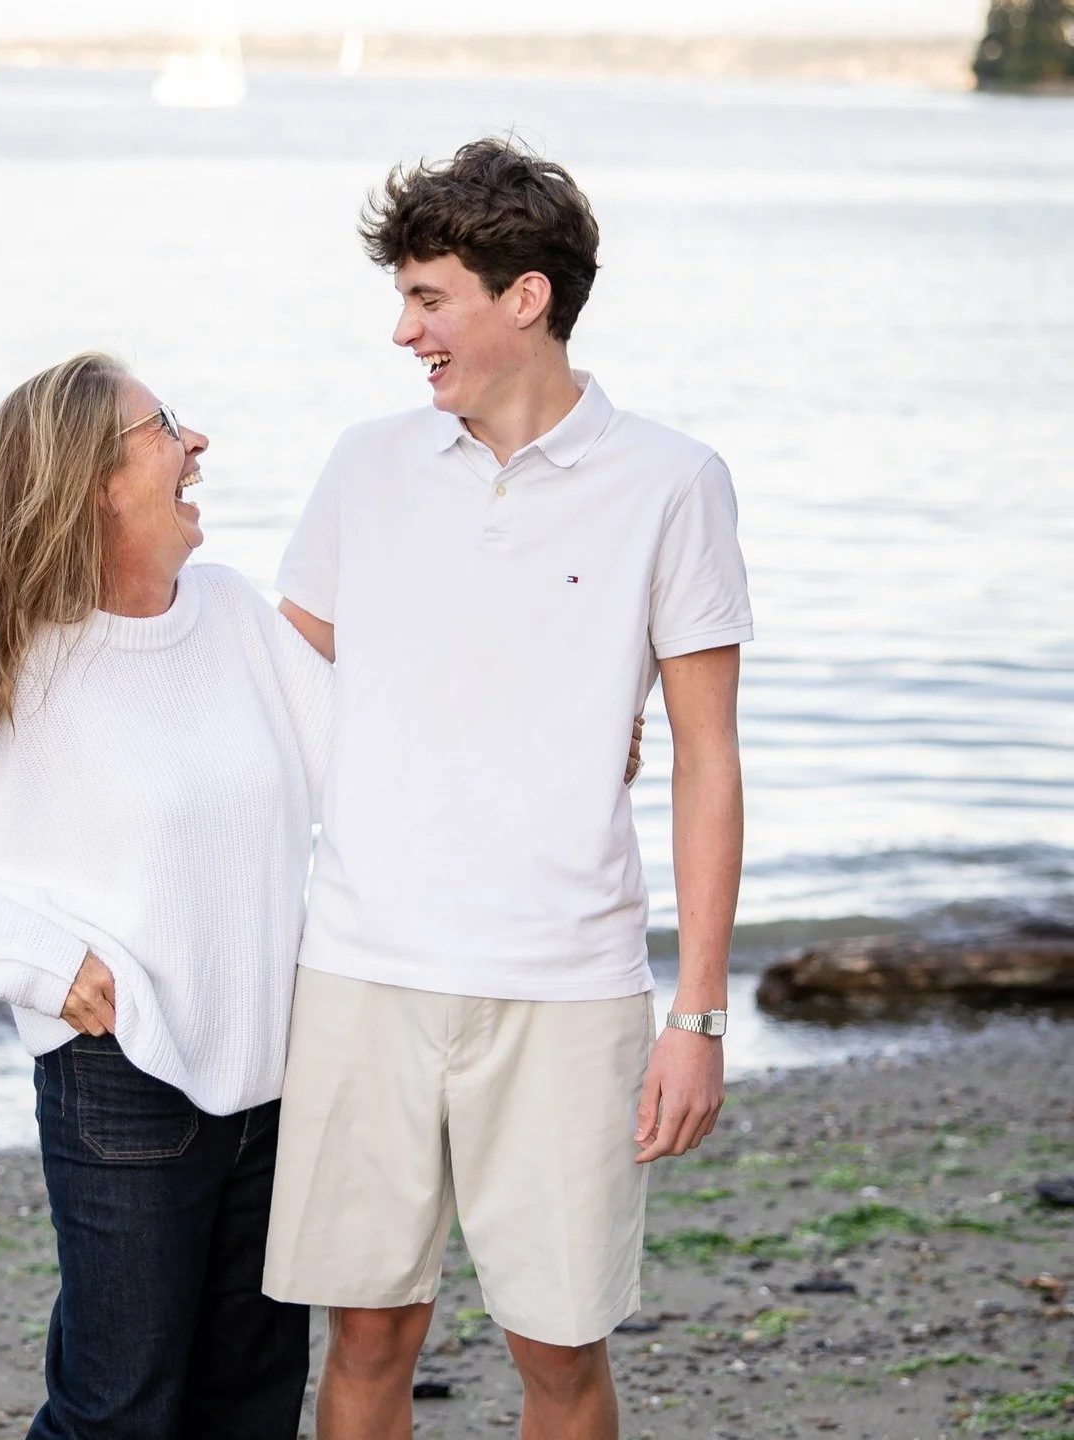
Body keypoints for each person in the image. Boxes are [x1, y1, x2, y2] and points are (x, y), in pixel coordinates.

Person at [263, 137, 753, 1440]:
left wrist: (696, 1017)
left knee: (559, 1348)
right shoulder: (368, 466)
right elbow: (285, 686)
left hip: (568, 982)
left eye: (428, 299)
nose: (401, 330)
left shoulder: (672, 482)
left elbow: (710, 756)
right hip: (362, 969)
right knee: (362, 1336)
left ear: (523, 297)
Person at [0, 352, 331, 1440]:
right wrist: (54, 968)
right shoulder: (9, 658)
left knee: (250, 1405)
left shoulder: (233, 613)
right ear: (98, 480)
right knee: (119, 1415)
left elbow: (372, 778)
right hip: (127, 1081)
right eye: (168, 428)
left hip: (278, 1081)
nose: (197, 446)